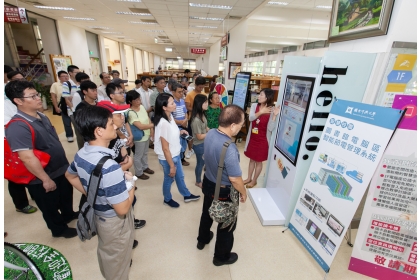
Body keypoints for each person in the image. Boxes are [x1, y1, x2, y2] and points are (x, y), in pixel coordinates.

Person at [65, 105, 135, 280]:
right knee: (118, 264)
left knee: (108, 254)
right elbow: (122, 209)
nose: (116, 126)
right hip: (114, 222)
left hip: (100, 215)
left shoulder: (81, 153)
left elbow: (70, 176)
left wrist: (92, 194)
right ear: (99, 131)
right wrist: (130, 182)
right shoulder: (110, 166)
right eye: (111, 124)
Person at [5, 80, 78, 238]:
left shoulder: (41, 116)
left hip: (60, 168)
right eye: (33, 96)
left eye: (37, 94)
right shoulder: (17, 126)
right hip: (42, 176)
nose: (39, 98)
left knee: (65, 195)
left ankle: (68, 214)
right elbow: (27, 157)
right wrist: (45, 179)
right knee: (49, 205)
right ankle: (59, 229)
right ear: (18, 101)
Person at [196, 104, 247, 266]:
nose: (241, 127)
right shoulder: (230, 148)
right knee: (226, 224)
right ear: (232, 125)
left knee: (206, 213)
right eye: (241, 124)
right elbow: (235, 179)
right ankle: (221, 257)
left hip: (208, 183)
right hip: (223, 191)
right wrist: (243, 192)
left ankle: (202, 239)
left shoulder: (210, 133)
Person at [153, 93, 201, 208]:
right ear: (164, 107)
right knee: (169, 179)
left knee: (180, 176)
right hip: (168, 158)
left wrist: (180, 132)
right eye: (172, 103)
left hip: (175, 153)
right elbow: (165, 148)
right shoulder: (163, 123)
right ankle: (167, 199)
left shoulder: (169, 117)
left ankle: (186, 194)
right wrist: (171, 165)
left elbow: (171, 133)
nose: (175, 104)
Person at [4, 66, 38, 215]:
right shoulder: (7, 95)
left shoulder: (26, 94)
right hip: (8, 136)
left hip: (27, 130)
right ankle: (21, 203)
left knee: (33, 163)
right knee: (16, 172)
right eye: (16, 80)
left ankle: (36, 193)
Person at [243, 88, 280, 188]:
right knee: (251, 160)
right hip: (253, 138)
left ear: (267, 97)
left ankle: (254, 180)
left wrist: (274, 116)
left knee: (258, 161)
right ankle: (248, 178)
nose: (258, 97)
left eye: (261, 95)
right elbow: (250, 118)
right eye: (259, 95)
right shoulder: (255, 105)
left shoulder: (272, 109)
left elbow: (271, 128)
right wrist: (261, 112)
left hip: (263, 140)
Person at [126, 90, 155, 180]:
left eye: (139, 99)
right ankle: (139, 172)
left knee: (145, 153)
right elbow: (140, 126)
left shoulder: (141, 107)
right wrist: (154, 124)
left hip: (146, 134)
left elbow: (147, 118)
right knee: (138, 155)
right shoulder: (130, 112)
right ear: (130, 101)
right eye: (136, 100)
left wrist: (151, 129)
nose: (139, 101)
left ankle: (145, 167)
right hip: (139, 136)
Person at [106, 83, 134, 154]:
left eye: (123, 92)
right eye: (120, 93)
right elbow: (113, 127)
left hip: (126, 139)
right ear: (112, 95)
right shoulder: (109, 110)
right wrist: (124, 137)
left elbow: (126, 122)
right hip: (117, 142)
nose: (123, 95)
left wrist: (130, 135)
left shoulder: (121, 108)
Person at [185, 76, 207, 159]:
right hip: (193, 118)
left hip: (202, 118)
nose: (201, 89)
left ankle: (200, 149)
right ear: (195, 85)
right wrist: (197, 110)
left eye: (203, 87)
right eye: (199, 87)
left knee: (201, 135)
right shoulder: (190, 95)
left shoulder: (204, 94)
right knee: (191, 136)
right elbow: (187, 107)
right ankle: (190, 150)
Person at [50, 70, 74, 142]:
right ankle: (69, 136)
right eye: (63, 76)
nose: (65, 78)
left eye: (67, 76)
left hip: (72, 104)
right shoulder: (55, 85)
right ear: (59, 77)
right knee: (66, 121)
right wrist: (56, 107)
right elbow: (53, 97)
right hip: (63, 105)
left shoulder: (71, 83)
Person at [190, 94, 209, 188]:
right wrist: (210, 134)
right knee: (200, 164)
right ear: (200, 104)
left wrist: (213, 131)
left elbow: (205, 127)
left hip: (204, 143)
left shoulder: (202, 115)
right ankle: (198, 181)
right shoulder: (196, 120)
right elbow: (199, 136)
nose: (207, 104)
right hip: (199, 145)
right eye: (205, 102)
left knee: (204, 162)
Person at [171, 83, 189, 166]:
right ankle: (178, 159)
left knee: (184, 143)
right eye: (179, 92)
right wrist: (180, 122)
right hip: (176, 126)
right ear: (173, 92)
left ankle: (182, 158)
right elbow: (170, 118)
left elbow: (186, 113)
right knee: (178, 143)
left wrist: (185, 120)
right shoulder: (171, 103)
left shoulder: (182, 101)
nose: (181, 94)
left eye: (182, 92)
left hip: (183, 124)